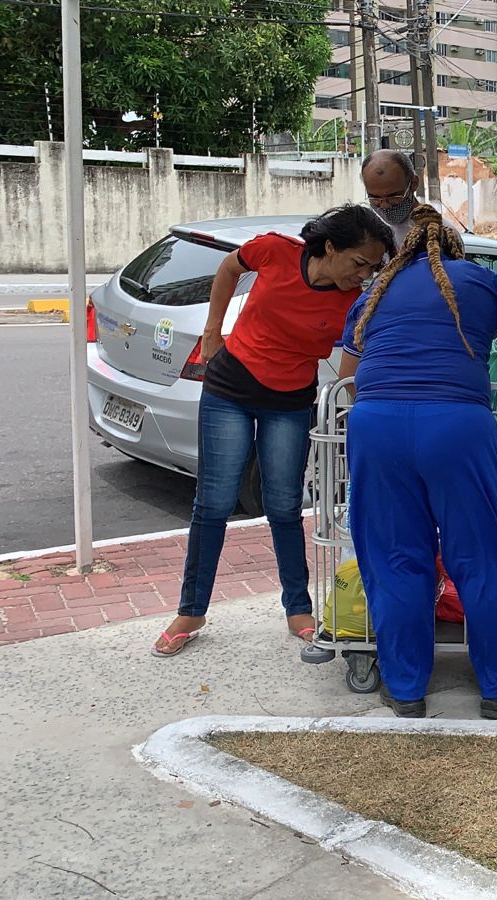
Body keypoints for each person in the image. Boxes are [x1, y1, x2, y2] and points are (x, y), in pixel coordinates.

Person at [336, 206, 497, 718]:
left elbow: (348, 375)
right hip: (458, 426)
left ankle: (405, 689)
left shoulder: (374, 291)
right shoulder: (482, 281)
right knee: (479, 556)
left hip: (377, 426)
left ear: (404, 251)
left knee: (395, 558)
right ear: (455, 248)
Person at [154, 206, 393, 657]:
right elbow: (228, 268)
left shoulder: (355, 303)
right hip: (228, 389)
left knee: (283, 506)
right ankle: (191, 611)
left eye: (371, 267)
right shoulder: (274, 251)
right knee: (214, 502)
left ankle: (298, 608)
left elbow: (355, 363)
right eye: (359, 262)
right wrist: (212, 331)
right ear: (329, 247)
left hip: (290, 402)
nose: (363, 274)